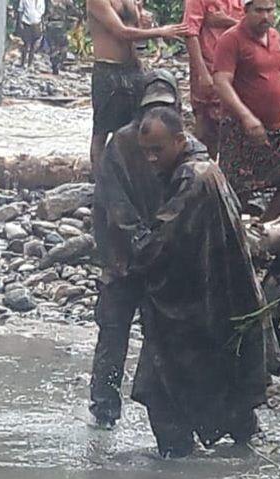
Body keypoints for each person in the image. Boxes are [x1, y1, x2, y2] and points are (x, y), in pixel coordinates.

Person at [132, 107, 271, 457]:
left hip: (197, 306)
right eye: (145, 151)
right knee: (219, 380)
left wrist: (131, 250)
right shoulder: (204, 170)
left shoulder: (193, 179)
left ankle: (175, 470)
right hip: (216, 298)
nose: (150, 159)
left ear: (179, 141)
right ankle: (241, 448)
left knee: (157, 386)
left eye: (157, 150)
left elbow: (163, 241)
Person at [89, 71, 182, 428]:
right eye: (150, 107)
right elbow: (113, 206)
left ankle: (169, 412)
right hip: (123, 257)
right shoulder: (121, 146)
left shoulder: (184, 147)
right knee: (113, 332)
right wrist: (134, 248)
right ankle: (104, 408)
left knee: (166, 337)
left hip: (161, 256)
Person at [213, 0, 280, 220]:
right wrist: (246, 117)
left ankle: (265, 223)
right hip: (241, 127)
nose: (265, 16)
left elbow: (276, 75)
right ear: (246, 11)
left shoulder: (275, 36)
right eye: (259, 10)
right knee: (237, 187)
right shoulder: (231, 39)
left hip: (276, 127)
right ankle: (232, 231)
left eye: (270, 10)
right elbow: (221, 82)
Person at [85, 0, 188, 170]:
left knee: (138, 124)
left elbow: (136, 28)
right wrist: (160, 31)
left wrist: (144, 22)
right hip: (108, 69)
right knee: (102, 131)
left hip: (133, 69)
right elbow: (121, 32)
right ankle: (100, 183)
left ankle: (134, 179)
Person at [182, 0, 243, 156]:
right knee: (207, 124)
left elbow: (253, 24)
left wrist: (229, 21)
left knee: (234, 124)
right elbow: (190, 33)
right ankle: (203, 168)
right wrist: (203, 74)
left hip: (237, 71)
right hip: (210, 68)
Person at [45, 0, 81, 75]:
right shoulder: (65, 2)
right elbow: (75, 12)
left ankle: (55, 64)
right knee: (63, 46)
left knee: (53, 47)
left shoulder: (48, 2)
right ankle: (58, 63)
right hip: (60, 25)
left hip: (50, 25)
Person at [19, 0, 46, 67]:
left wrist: (42, 25)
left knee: (33, 45)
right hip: (26, 23)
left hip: (37, 23)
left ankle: (29, 64)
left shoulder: (41, 1)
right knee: (26, 43)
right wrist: (20, 23)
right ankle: (22, 63)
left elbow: (42, 14)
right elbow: (20, 10)